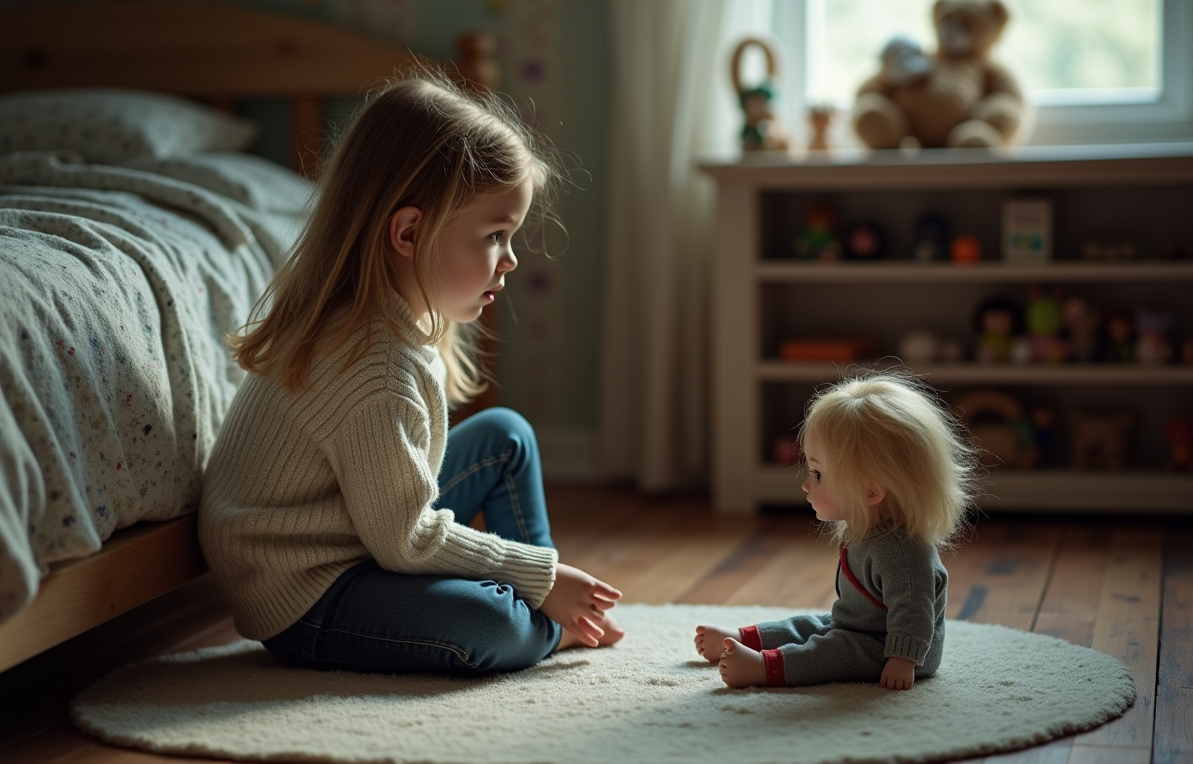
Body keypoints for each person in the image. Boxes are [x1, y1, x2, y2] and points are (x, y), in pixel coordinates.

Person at [198, 68, 623, 677]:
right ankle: (545, 616)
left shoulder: (386, 322)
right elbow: (407, 541)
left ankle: (545, 605)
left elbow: (394, 524)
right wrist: (542, 576)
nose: (510, 259)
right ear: (409, 232)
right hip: (310, 594)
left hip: (363, 535)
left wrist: (536, 577)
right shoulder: (374, 368)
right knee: (493, 625)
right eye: (495, 235)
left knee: (506, 436)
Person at [694, 371, 980, 690]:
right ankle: (741, 638)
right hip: (861, 626)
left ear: (870, 491)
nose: (806, 484)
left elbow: (914, 612)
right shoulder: (867, 529)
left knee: (836, 651)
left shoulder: (901, 553)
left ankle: (764, 667)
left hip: (893, 647)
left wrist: (903, 659)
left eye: (817, 474)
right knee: (810, 625)